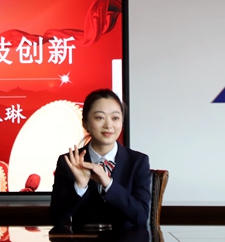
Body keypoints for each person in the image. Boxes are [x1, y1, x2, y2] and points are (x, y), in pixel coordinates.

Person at [50, 89, 151, 230]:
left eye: (115, 118)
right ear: (85, 123)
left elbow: (141, 217)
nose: (108, 125)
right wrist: (80, 186)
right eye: (99, 118)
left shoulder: (138, 161)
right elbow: (56, 219)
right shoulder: (69, 161)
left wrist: (108, 184)